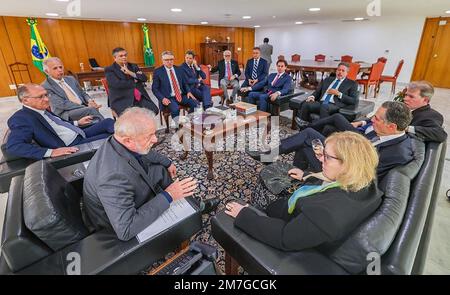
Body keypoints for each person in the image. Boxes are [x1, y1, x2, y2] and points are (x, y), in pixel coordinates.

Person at [226, 131, 383, 251]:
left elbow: (284, 237)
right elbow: (332, 185)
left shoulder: (326, 215)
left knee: (263, 188)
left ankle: (256, 206)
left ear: (348, 166)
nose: (320, 159)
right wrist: (307, 176)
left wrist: (246, 215)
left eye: (327, 157)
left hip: (287, 218)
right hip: (306, 205)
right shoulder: (367, 183)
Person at [83, 107, 198, 241]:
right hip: (116, 225)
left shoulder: (119, 140)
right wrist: (169, 195)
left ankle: (185, 205)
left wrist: (167, 163)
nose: (155, 139)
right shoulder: (112, 178)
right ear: (128, 140)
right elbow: (126, 230)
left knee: (159, 169)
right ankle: (183, 213)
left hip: (127, 191)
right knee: (166, 192)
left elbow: (144, 151)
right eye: (149, 136)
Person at [248, 101, 414, 181]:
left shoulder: (396, 154)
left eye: (376, 119)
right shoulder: (385, 134)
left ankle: (289, 168)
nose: (372, 121)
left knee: (306, 140)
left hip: (339, 169)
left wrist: (329, 156)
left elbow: (360, 178)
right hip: (343, 153)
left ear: (392, 126)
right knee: (308, 135)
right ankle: (290, 170)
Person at [6, 84, 115, 160]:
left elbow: (58, 123)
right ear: (25, 100)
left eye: (46, 94)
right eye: (40, 97)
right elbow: (14, 146)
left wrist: (77, 123)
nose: (46, 99)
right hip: (74, 144)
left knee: (108, 121)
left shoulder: (40, 108)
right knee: (114, 137)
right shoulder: (21, 118)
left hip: (79, 132)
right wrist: (50, 152)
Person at [42, 57, 104, 121]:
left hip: (83, 107)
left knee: (93, 110)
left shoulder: (71, 79)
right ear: (47, 71)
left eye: (60, 67)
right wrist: (86, 107)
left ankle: (103, 126)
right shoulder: (46, 86)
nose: (60, 70)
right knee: (91, 110)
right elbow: (62, 104)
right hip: (66, 112)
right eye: (55, 68)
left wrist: (90, 101)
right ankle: (108, 127)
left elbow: (83, 93)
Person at [105, 47, 159, 116]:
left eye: (125, 55)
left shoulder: (133, 66)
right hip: (121, 99)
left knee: (154, 110)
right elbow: (116, 84)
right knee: (132, 117)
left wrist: (130, 72)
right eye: (121, 56)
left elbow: (144, 78)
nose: (124, 57)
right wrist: (135, 80)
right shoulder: (110, 69)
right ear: (115, 58)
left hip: (139, 97)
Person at [152, 51, 198, 122]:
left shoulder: (179, 69)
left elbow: (184, 83)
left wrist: (188, 91)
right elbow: (154, 89)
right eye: (166, 60)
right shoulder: (158, 72)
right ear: (162, 60)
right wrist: (162, 98)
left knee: (195, 103)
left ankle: (188, 121)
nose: (169, 62)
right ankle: (176, 127)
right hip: (169, 97)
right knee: (175, 109)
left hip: (181, 95)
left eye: (171, 59)